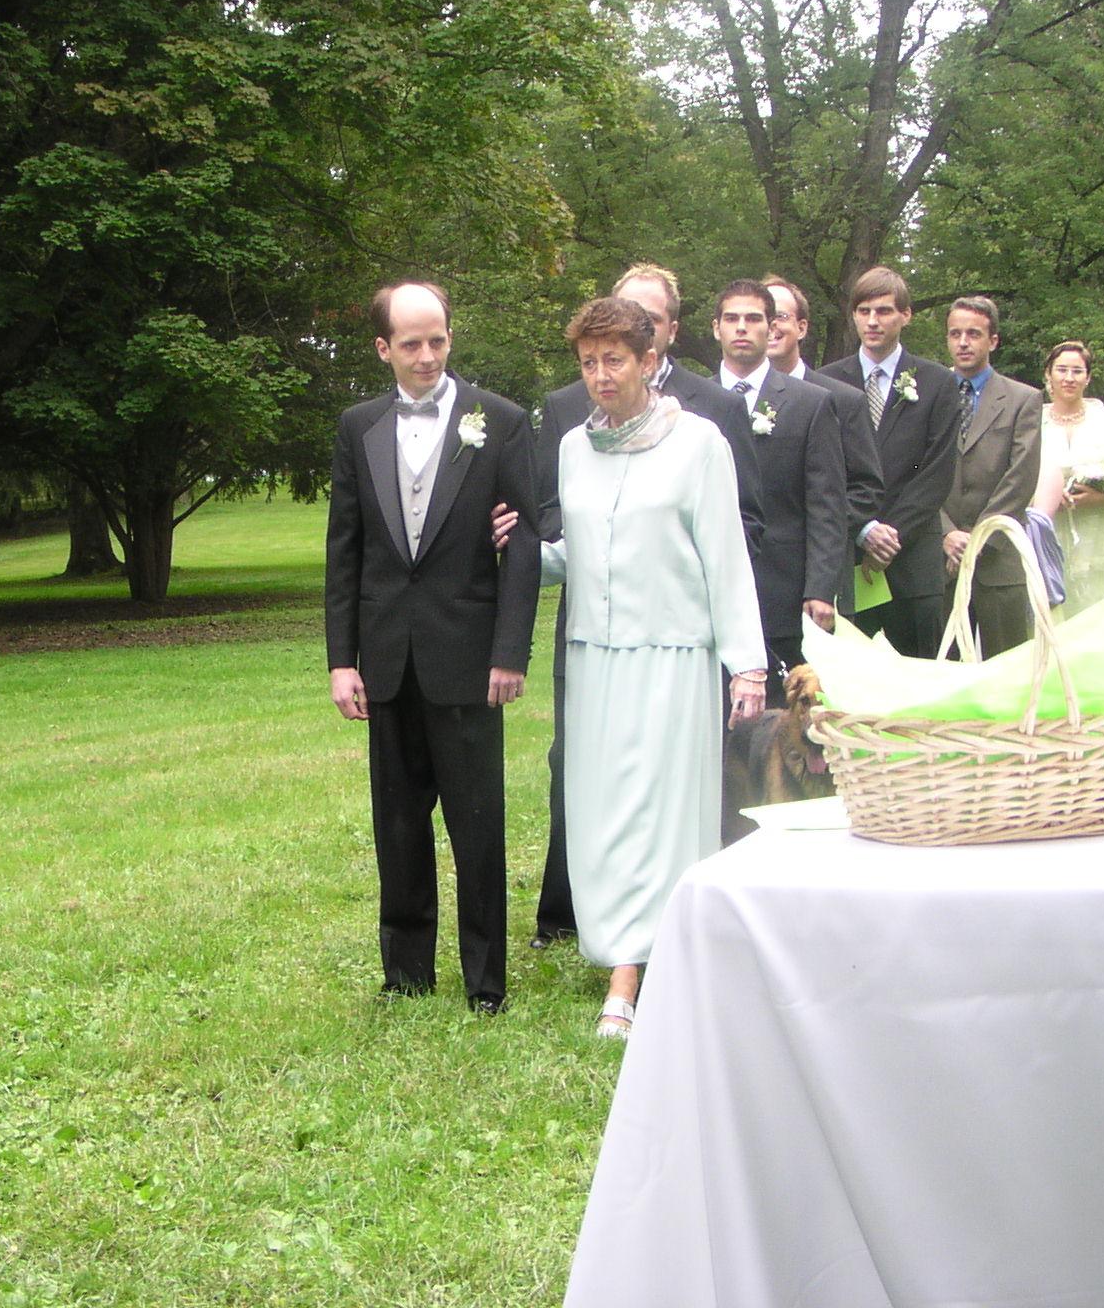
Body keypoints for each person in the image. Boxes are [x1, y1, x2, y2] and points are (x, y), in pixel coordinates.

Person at [531, 296, 765, 1038]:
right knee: (601, 813)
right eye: (588, 362)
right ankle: (620, 945)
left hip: (671, 654)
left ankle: (632, 975)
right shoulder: (573, 449)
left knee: (657, 813)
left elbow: (726, 557)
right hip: (594, 658)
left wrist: (748, 666)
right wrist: (507, 553)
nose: (601, 375)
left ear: (649, 360)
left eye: (615, 360)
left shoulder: (699, 444)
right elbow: (578, 553)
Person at [324, 280, 539, 1015]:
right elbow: (345, 550)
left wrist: (510, 652)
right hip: (387, 658)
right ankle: (407, 973)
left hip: (470, 656)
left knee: (478, 826)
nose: (427, 356)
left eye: (438, 340)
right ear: (382, 348)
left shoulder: (500, 421)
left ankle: (486, 982)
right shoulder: (358, 427)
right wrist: (342, 659)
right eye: (411, 343)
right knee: (398, 824)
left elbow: (525, 546)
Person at [711, 279, 847, 700]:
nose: (742, 327)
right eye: (731, 318)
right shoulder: (692, 400)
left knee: (778, 721)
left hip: (782, 590)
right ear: (716, 328)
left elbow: (827, 504)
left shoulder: (811, 403)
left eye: (753, 319)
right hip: (707, 590)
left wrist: (820, 588)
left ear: (770, 328)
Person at [818, 267, 960, 657]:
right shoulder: (825, 383)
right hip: (850, 559)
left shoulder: (937, 383)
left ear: (906, 315)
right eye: (863, 311)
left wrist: (890, 535)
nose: (873, 321)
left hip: (912, 561)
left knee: (921, 675)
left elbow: (937, 472)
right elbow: (824, 472)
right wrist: (863, 529)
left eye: (883, 311)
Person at [763, 274, 884, 620]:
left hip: (821, 574)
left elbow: (867, 489)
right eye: (764, 317)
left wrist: (814, 522)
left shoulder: (842, 400)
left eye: (781, 316)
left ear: (802, 327)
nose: (771, 326)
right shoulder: (731, 400)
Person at [939, 295, 1043, 656]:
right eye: (955, 334)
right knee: (941, 671)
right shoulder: (929, 395)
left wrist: (980, 537)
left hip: (999, 559)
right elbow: (914, 472)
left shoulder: (1023, 399)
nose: (963, 343)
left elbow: (1021, 476)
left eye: (973, 334)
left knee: (1009, 669)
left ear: (993, 340)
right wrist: (945, 532)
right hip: (942, 559)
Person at [1037, 340, 1104, 626]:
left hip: (1098, 540)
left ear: (1088, 377)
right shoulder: (1033, 421)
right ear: (1048, 374)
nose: (1069, 378)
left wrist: (1100, 497)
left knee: (1102, 620)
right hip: (1049, 535)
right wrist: (1044, 499)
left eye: (1077, 371)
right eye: (1062, 370)